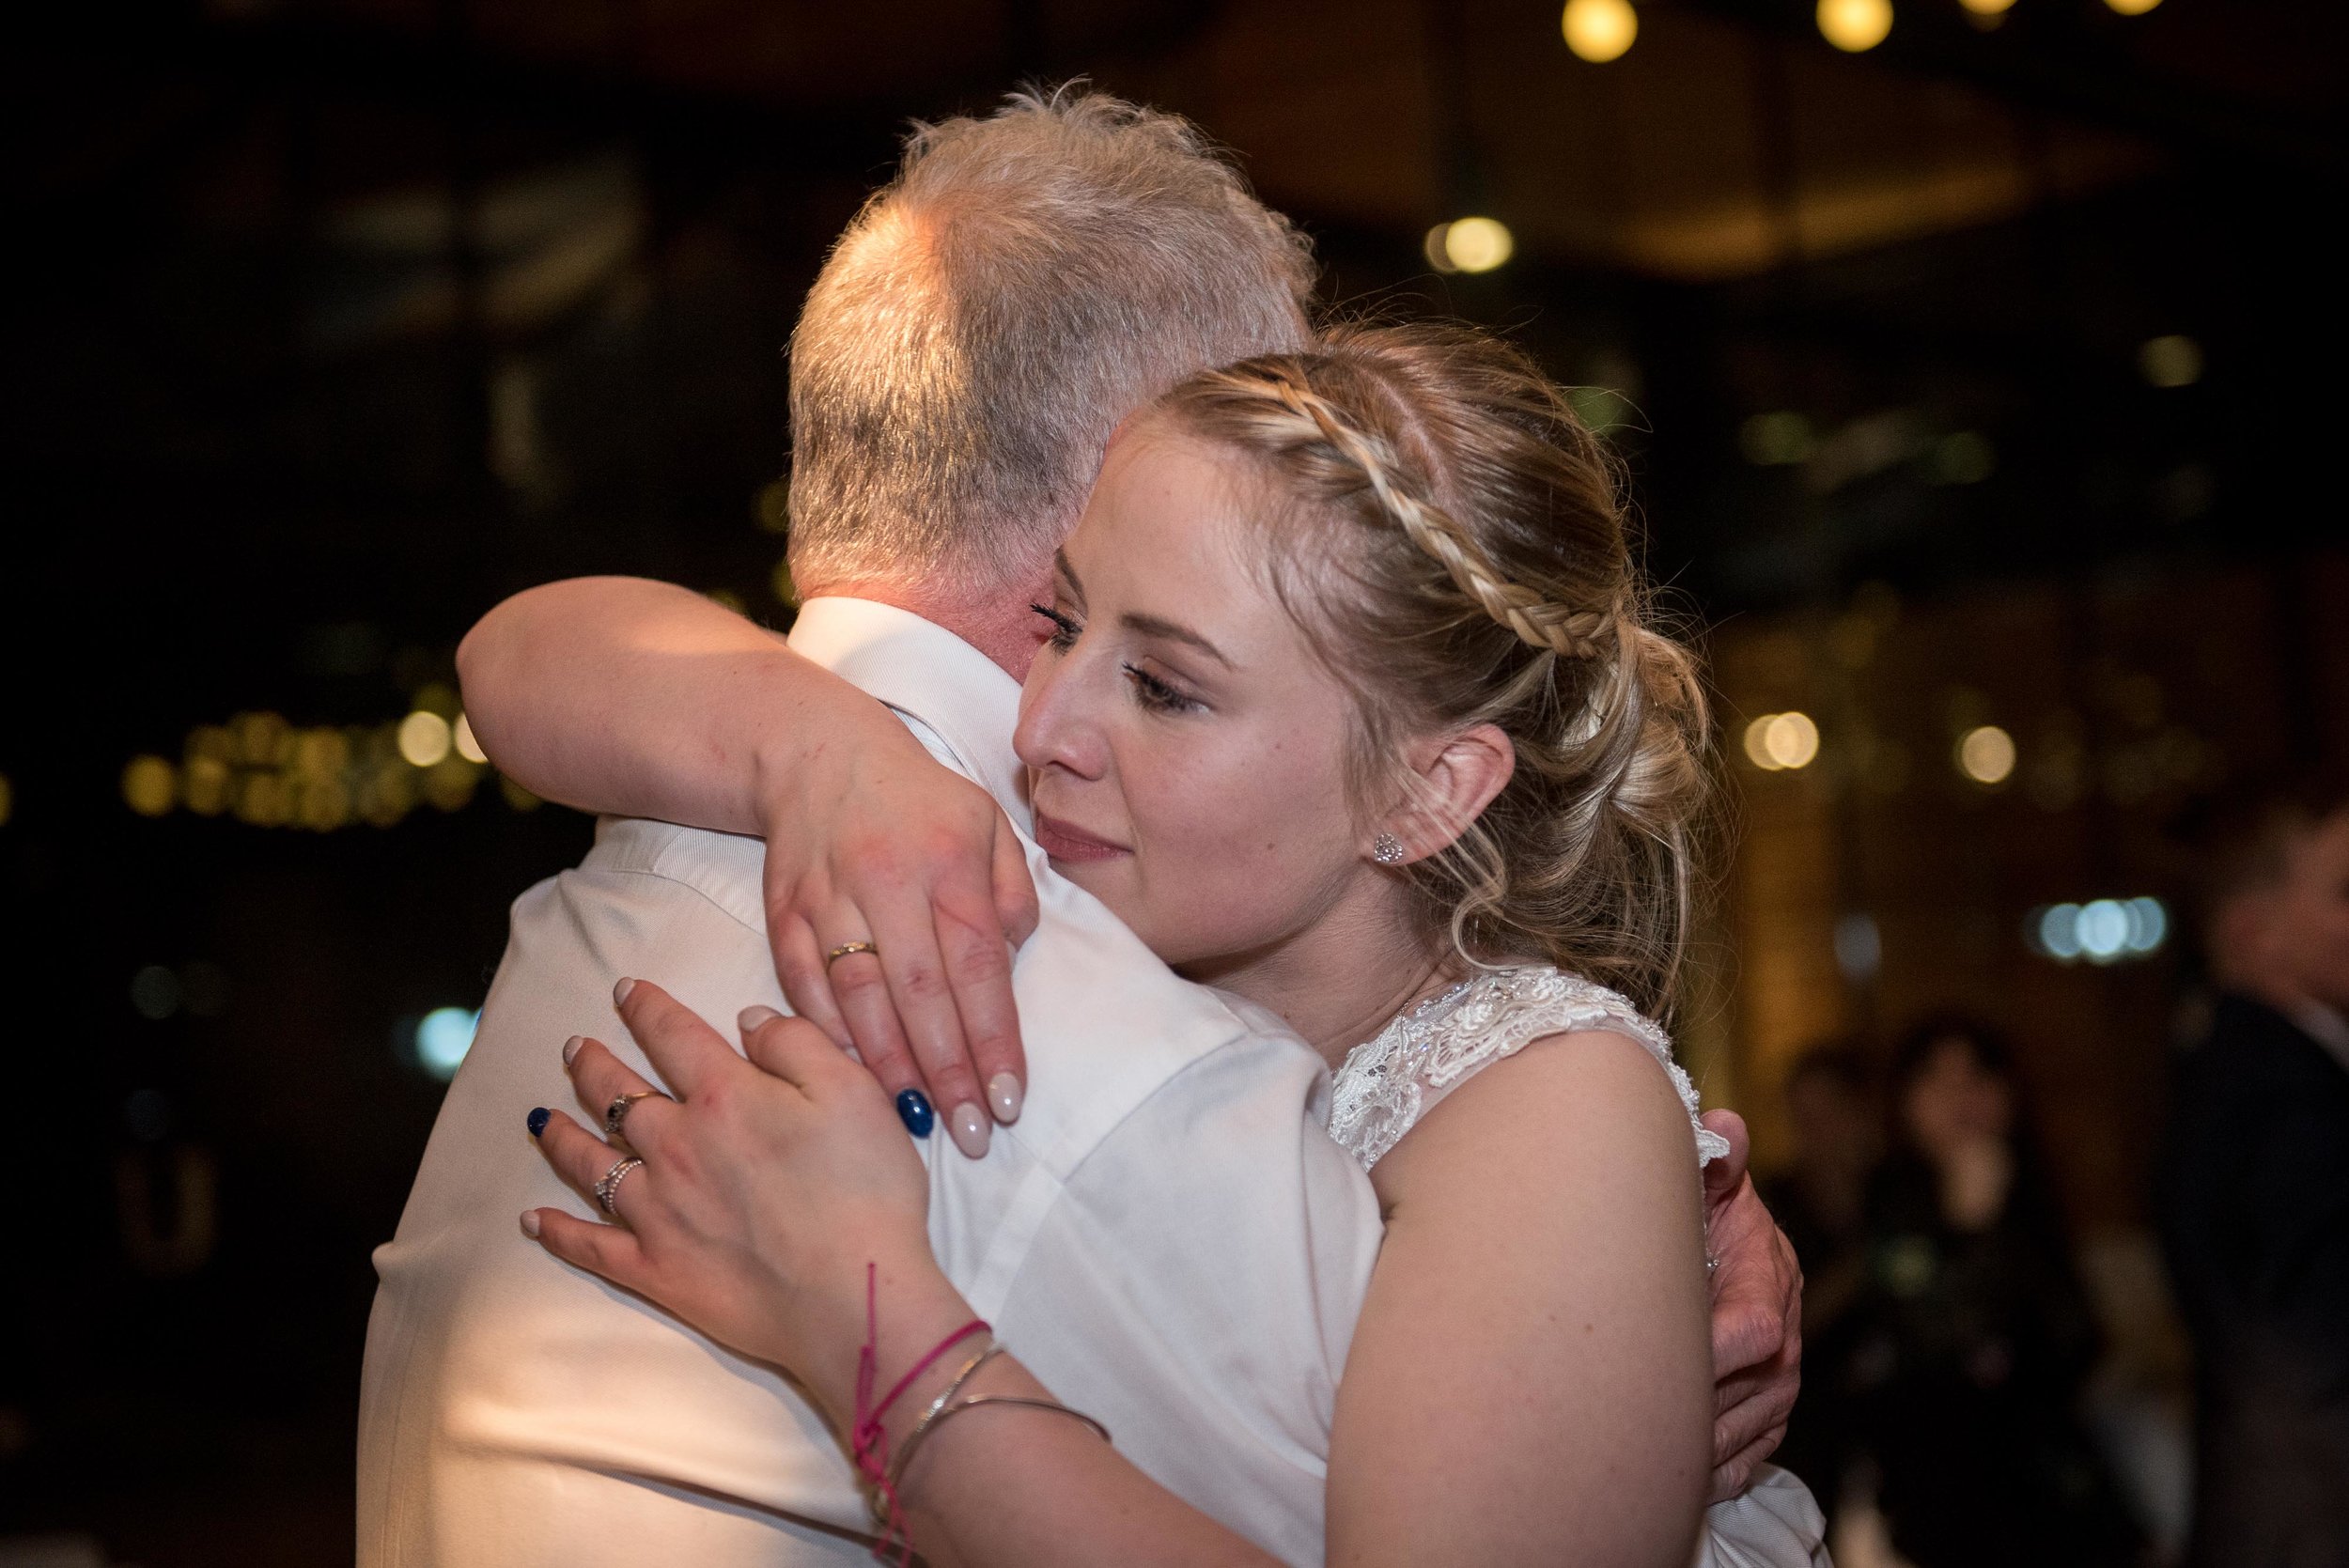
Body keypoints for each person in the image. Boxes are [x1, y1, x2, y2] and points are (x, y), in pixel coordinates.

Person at [363, 89, 1810, 1568]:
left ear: (1431, 784)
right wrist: (815, 746)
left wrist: (866, 1327)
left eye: (1169, 682)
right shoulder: (1013, 945)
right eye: (1062, 619)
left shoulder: (1151, 1056)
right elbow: (513, 655)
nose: (1044, 730)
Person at [1847, 1013, 2138, 1568]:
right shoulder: (1891, 1199)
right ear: (1905, 1100)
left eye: (1977, 1078)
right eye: (1938, 1080)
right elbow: (1926, 1344)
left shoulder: (2030, 1191)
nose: (1962, 1100)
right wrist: (1970, 1227)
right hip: (1947, 1490)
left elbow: (2077, 1339)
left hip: (2050, 1483)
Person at [2158, 787, 2349, 1568]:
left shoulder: (2262, 1071)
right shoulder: (2273, 1091)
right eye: (2346, 894)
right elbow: (2310, 1342)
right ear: (2252, 931)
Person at [1758, 1042, 1882, 1528]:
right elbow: (1783, 1323)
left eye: (1829, 1113)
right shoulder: (1777, 1201)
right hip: (1814, 1414)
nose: (1817, 1132)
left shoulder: (1896, 1191)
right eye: (1803, 1118)